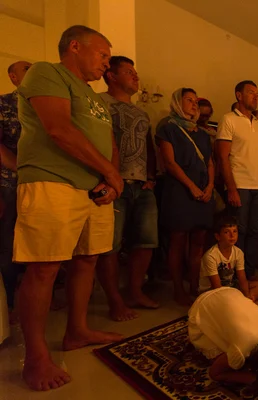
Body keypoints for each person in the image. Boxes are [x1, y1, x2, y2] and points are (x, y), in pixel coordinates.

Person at [15, 25, 124, 391]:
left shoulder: (94, 96)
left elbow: (107, 140)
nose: (107, 64)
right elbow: (57, 128)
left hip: (94, 189)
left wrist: (111, 178)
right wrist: (109, 170)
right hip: (52, 180)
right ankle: (35, 356)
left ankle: (77, 330)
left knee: (87, 258)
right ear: (75, 46)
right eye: (103, 55)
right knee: (45, 268)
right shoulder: (47, 72)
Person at [96, 56, 159, 322]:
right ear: (111, 75)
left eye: (136, 72)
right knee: (109, 245)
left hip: (142, 185)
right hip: (113, 184)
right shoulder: (99, 103)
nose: (135, 76)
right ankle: (115, 300)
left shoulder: (142, 113)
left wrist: (152, 175)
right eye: (129, 72)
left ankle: (135, 291)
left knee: (146, 241)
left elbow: (148, 145)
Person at [156, 88, 215, 305]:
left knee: (199, 241)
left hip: (202, 190)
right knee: (178, 240)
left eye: (195, 101)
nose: (193, 105)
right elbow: (170, 163)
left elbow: (209, 162)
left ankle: (194, 285)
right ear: (177, 103)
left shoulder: (200, 133)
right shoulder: (167, 127)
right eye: (188, 100)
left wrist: (209, 186)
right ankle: (178, 289)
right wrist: (191, 186)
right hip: (180, 189)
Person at [216, 81, 258, 280]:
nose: (256, 96)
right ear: (239, 95)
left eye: (257, 93)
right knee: (237, 232)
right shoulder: (228, 120)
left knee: (255, 231)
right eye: (251, 93)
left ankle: (248, 274)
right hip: (239, 184)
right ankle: (234, 275)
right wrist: (231, 188)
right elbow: (222, 156)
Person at [0, 60, 31, 324]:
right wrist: (22, 169)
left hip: (40, 185)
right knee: (8, 243)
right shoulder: (3, 103)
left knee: (38, 241)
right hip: (10, 183)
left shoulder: (43, 104)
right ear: (13, 77)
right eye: (27, 69)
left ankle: (37, 297)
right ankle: (9, 303)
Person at [199, 216, 258, 299]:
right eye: (226, 232)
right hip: (212, 292)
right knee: (227, 299)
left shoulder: (238, 252)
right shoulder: (211, 256)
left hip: (230, 286)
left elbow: (242, 279)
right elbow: (217, 287)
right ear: (218, 236)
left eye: (235, 231)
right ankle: (246, 304)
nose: (232, 235)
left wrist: (247, 295)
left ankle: (246, 302)